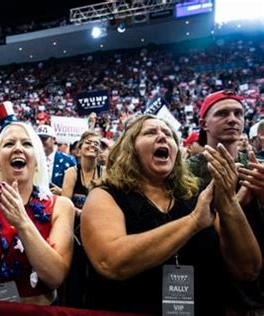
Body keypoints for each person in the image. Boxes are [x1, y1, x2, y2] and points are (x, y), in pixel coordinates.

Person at [81, 114, 261, 314]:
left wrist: (229, 203)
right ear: (129, 149)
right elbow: (111, 262)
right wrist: (193, 222)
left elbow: (248, 269)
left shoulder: (196, 196)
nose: (162, 137)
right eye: (150, 132)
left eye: (168, 134)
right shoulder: (104, 195)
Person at [0, 122, 75, 305]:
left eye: (26, 144)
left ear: (38, 161)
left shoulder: (61, 206)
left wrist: (22, 223)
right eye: (9, 144)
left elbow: (55, 276)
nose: (18, 148)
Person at [189, 90, 264, 313]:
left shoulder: (258, 168)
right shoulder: (185, 172)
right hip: (207, 285)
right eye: (223, 113)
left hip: (254, 290)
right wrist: (238, 200)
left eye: (238, 113)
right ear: (204, 124)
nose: (233, 119)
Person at [61, 131, 103, 307]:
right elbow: (64, 204)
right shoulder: (71, 172)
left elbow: (104, 207)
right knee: (74, 277)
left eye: (96, 143)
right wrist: (82, 213)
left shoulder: (105, 173)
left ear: (100, 152)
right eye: (88, 142)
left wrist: (84, 212)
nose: (92, 145)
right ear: (79, 149)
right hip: (75, 234)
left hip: (96, 233)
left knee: (95, 277)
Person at [36, 124, 75, 196]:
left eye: (44, 139)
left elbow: (75, 189)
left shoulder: (67, 160)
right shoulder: (31, 159)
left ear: (54, 139)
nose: (40, 142)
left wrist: (62, 192)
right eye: (38, 139)